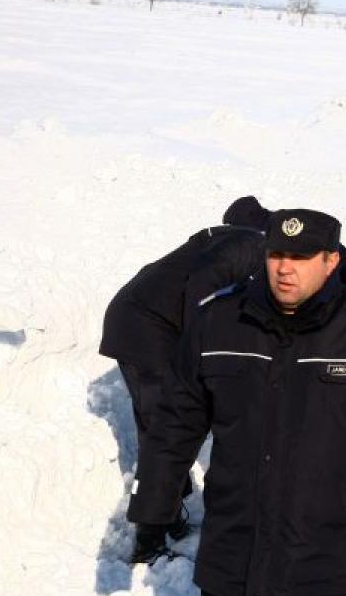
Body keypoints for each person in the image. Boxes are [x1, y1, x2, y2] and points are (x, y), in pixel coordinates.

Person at [128, 209, 346, 596]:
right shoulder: (220, 320)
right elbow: (176, 418)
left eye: (301, 258)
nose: (284, 269)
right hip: (234, 551)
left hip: (331, 555)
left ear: (331, 262)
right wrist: (154, 499)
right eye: (276, 255)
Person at [100, 195, 269, 563]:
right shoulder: (252, 244)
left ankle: (170, 513)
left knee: (171, 425)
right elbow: (204, 291)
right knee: (166, 428)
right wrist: (204, 351)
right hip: (142, 328)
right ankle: (149, 540)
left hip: (152, 325)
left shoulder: (237, 245)